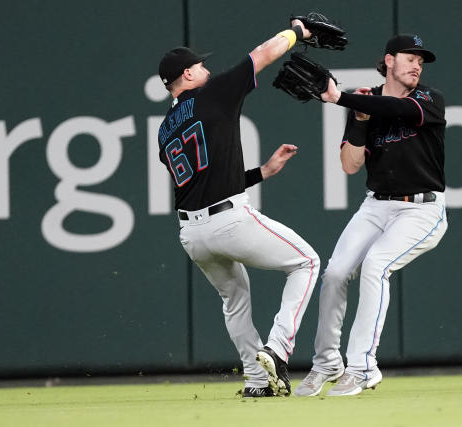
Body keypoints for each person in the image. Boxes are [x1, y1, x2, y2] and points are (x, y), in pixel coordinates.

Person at [157, 21, 319, 398]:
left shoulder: (165, 128)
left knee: (234, 299)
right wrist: (297, 31)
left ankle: (257, 380)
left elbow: (203, 181)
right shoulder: (211, 93)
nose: (207, 70)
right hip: (228, 219)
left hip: (192, 232)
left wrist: (262, 172)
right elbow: (264, 52)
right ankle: (278, 350)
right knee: (306, 262)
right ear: (188, 73)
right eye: (201, 65)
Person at [294, 34, 448, 397]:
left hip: (421, 209)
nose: (416, 65)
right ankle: (328, 361)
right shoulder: (364, 103)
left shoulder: (430, 99)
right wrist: (359, 116)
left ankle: (363, 367)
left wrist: (339, 98)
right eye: (410, 58)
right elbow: (349, 165)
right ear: (389, 60)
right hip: (376, 205)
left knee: (376, 265)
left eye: (420, 61)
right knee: (334, 274)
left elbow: (398, 111)